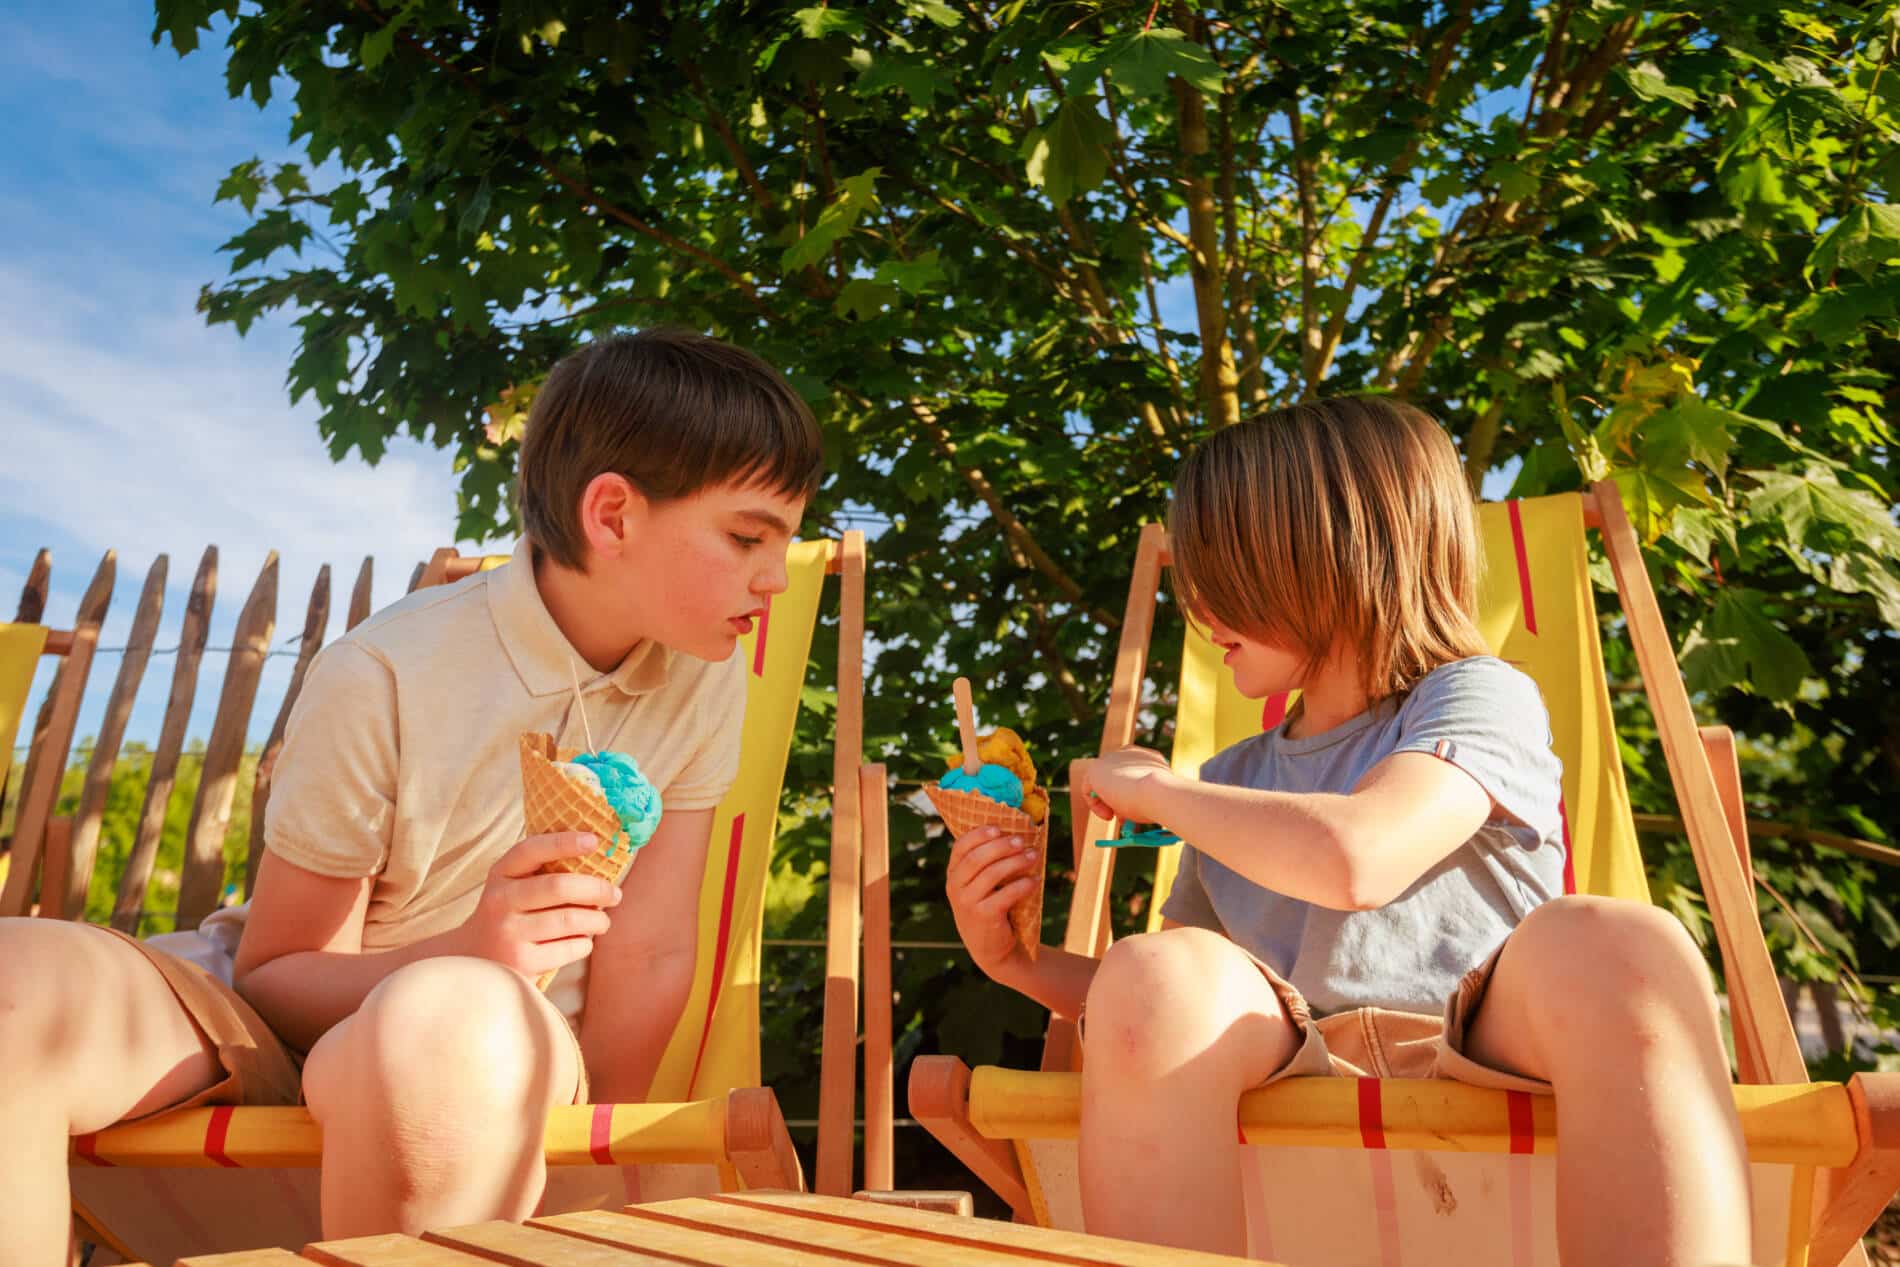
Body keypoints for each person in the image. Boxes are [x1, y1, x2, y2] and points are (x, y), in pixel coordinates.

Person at [0, 327, 823, 1262]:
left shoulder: (702, 680)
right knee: (16, 982)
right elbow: (277, 973)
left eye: (784, 542)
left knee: (445, 1023)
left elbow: (655, 949)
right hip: (284, 1028)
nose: (773, 575)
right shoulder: (385, 672)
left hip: (478, 1063)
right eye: (750, 536)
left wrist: (597, 1173)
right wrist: (470, 945)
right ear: (614, 516)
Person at [944, 397, 1749, 1265]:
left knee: (1621, 944)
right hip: (1292, 1082)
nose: (1200, 606)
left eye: (1227, 576)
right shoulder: (1235, 785)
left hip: (1483, 1047)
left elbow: (1360, 855)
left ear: (1329, 564)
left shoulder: (1476, 696)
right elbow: (1164, 1013)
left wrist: (1162, 793)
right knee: (1154, 966)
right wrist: (1016, 963)